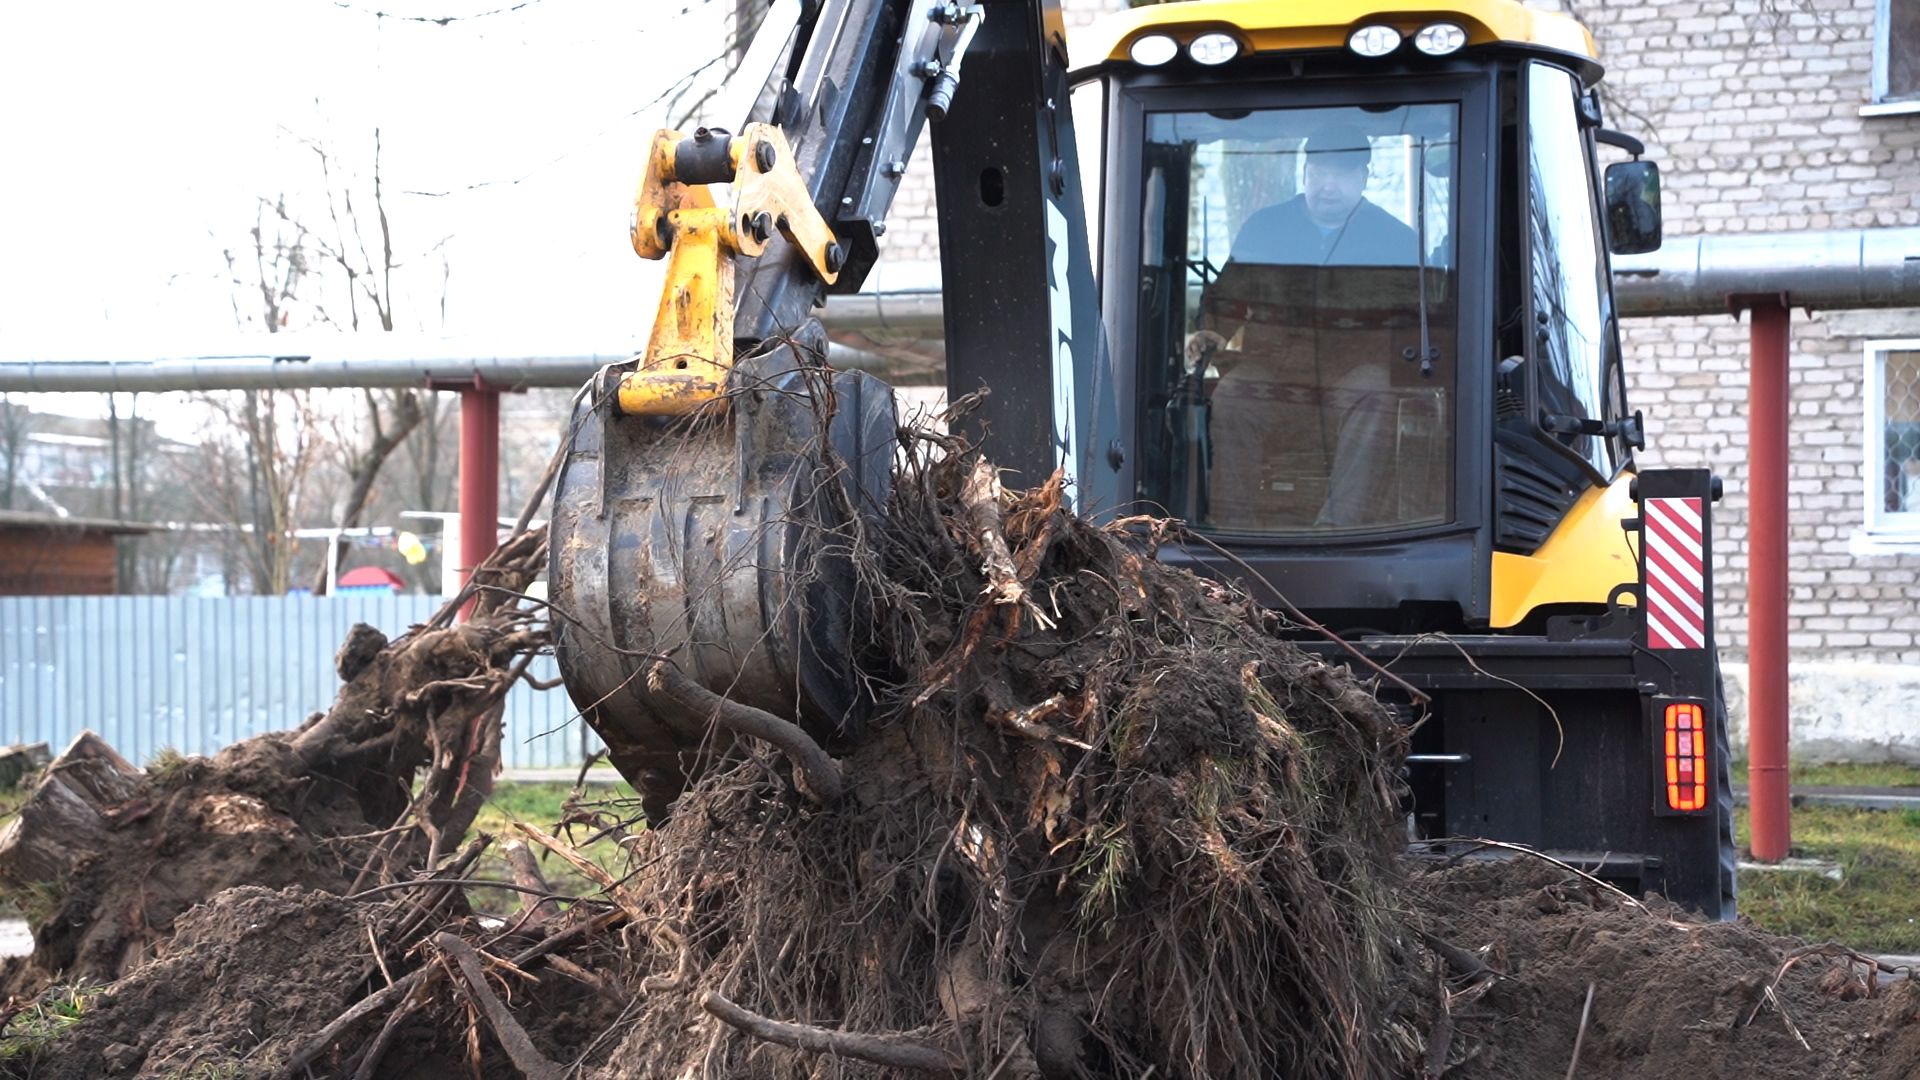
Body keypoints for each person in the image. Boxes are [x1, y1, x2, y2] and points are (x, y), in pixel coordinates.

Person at [1187, 123, 1443, 531]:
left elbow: (1419, 324)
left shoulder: (1395, 241)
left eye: (1341, 174)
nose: (1327, 185)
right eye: (1319, 172)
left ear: (1364, 177)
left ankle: (1337, 527)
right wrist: (1211, 328)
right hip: (1274, 376)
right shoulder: (1265, 228)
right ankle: (1233, 530)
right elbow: (1226, 296)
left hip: (1352, 379)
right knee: (1233, 395)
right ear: (1305, 173)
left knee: (1376, 392)